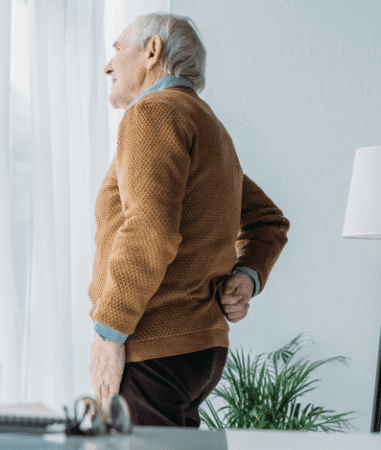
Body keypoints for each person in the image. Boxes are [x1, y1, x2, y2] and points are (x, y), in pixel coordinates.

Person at [88, 12, 290, 427]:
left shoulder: (152, 115)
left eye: (117, 49)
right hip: (200, 352)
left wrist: (108, 332)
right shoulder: (209, 127)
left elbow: (149, 232)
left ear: (152, 51)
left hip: (153, 347)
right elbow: (268, 221)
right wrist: (248, 274)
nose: (109, 65)